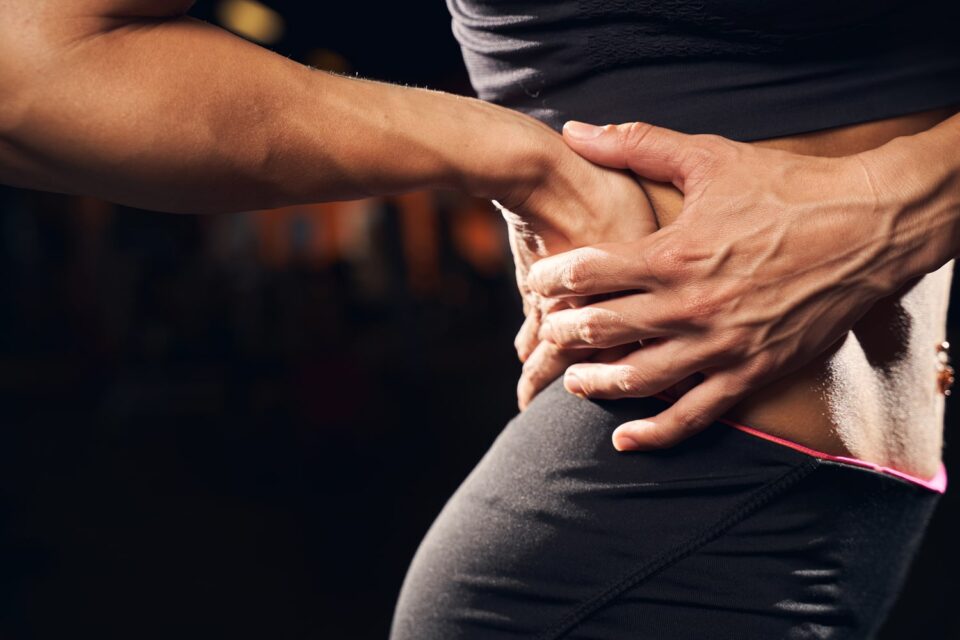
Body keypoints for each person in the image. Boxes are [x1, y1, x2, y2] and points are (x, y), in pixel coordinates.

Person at [2, 1, 959, 638]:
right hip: (645, 504)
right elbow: (30, 72)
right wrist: (506, 152)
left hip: (789, 485)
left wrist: (895, 204)